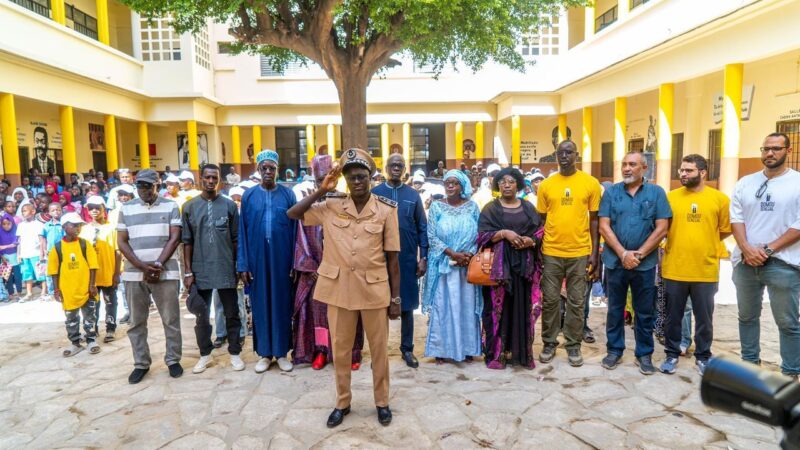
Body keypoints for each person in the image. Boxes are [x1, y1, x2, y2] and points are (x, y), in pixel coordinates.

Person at [287, 147, 401, 428]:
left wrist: (396, 298)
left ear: (371, 178)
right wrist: (322, 189)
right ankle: (342, 401)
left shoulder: (386, 210)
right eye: (352, 178)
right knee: (340, 349)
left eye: (362, 176)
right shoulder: (331, 205)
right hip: (338, 289)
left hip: (374, 290)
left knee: (379, 351)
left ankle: (382, 401)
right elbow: (293, 214)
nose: (357, 182)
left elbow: (393, 258)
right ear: (345, 181)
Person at [730, 132, 800, 379]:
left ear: (788, 152)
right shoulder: (746, 182)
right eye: (765, 149)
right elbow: (735, 218)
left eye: (776, 149)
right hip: (745, 263)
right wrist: (747, 249)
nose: (769, 153)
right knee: (747, 317)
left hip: (783, 264)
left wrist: (768, 249)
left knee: (789, 323)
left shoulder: (797, 183)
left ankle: (790, 374)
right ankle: (749, 366)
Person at [598, 152, 671, 375]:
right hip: (615, 262)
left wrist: (638, 254)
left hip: (645, 264)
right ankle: (614, 350)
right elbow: (604, 226)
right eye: (624, 165)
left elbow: (662, 227)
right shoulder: (611, 193)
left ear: (644, 168)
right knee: (615, 309)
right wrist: (622, 254)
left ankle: (644, 353)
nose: (627, 168)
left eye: (632, 165)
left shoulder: (656, 193)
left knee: (644, 311)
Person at [659, 154, 731, 375]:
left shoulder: (719, 199)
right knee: (673, 317)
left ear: (702, 173)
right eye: (681, 170)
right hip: (675, 267)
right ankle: (672, 354)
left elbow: (725, 229)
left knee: (704, 317)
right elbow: (662, 227)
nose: (683, 174)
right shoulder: (670, 197)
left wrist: (704, 243)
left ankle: (703, 356)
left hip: (705, 269)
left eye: (688, 170)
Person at [292, 155, 365, 370]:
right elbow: (301, 239)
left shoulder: (346, 202)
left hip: (345, 271)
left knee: (349, 313)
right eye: (319, 180)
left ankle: (352, 353)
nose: (324, 183)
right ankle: (322, 351)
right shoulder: (310, 204)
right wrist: (313, 268)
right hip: (317, 273)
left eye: (328, 178)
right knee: (320, 312)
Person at [537, 140, 601, 367]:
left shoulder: (590, 183)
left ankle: (573, 345)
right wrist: (540, 251)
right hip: (552, 251)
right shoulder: (546, 185)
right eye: (560, 153)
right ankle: (549, 342)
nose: (564, 156)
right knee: (551, 301)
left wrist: (594, 252)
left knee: (576, 301)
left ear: (577, 155)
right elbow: (542, 221)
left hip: (580, 252)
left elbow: (594, 220)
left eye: (568, 152)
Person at [117, 169, 183, 384]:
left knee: (170, 319)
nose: (144, 190)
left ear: (158, 184)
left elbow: (174, 238)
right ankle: (141, 363)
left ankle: (173, 360)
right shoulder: (126, 209)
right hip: (135, 275)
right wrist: (143, 267)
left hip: (166, 272)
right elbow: (122, 241)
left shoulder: (171, 206)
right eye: (140, 186)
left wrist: (157, 264)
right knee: (136, 322)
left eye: (148, 186)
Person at [237, 150, 297, 373]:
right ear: (258, 170)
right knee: (260, 305)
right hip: (257, 260)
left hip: (283, 259)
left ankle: (281, 353)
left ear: (277, 170)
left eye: (272, 168)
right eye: (264, 168)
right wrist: (243, 263)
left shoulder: (288, 195)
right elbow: (242, 232)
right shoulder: (249, 196)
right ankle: (264, 353)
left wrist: (295, 263)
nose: (268, 172)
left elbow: (295, 231)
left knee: (282, 305)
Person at [477, 167, 544, 369]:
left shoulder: (528, 208)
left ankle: (521, 354)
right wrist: (505, 233)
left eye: (511, 181)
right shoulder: (490, 209)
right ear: (497, 184)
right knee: (498, 310)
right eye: (503, 181)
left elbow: (540, 232)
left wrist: (530, 241)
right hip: (499, 270)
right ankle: (497, 354)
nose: (506, 185)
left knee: (522, 309)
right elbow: (481, 236)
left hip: (524, 268)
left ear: (518, 185)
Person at [183, 164, 245, 373]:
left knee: (232, 312)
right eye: (207, 177)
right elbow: (187, 241)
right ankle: (205, 354)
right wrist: (189, 271)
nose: (211, 181)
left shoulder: (228, 206)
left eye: (214, 178)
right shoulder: (190, 207)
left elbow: (236, 239)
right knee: (202, 315)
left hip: (225, 267)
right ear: (200, 178)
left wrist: (238, 265)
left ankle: (235, 353)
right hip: (200, 270)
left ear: (219, 180)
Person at [372, 154, 428, 368]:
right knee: (378, 306)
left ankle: (407, 349)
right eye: (392, 165)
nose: (396, 168)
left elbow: (422, 227)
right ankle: (379, 352)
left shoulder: (413, 195)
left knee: (406, 305)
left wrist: (423, 258)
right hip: (379, 258)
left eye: (400, 165)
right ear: (386, 168)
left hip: (406, 259)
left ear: (405, 169)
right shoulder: (375, 193)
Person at [423, 169, 481, 363]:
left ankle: (468, 348)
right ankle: (441, 349)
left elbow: (479, 235)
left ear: (462, 186)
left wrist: (469, 255)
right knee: (443, 306)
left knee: (466, 306)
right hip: (444, 265)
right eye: (447, 182)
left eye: (454, 183)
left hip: (467, 266)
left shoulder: (473, 207)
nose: (450, 186)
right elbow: (431, 236)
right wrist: (452, 253)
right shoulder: (437, 208)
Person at [48, 212, 99, 356]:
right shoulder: (57, 248)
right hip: (68, 290)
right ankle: (75, 342)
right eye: (74, 225)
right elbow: (54, 271)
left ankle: (91, 340)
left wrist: (92, 285)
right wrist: (57, 289)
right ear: (64, 227)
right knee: (71, 318)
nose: (77, 228)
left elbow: (93, 266)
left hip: (86, 288)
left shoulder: (84, 244)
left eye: (79, 225)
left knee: (89, 316)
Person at [80, 196, 122, 343]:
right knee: (92, 304)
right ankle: (93, 329)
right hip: (91, 276)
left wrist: (117, 273)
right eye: (91, 208)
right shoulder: (83, 229)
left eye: (97, 208)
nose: (94, 211)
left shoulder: (112, 228)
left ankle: (110, 329)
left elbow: (117, 251)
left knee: (110, 302)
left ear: (104, 208)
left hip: (108, 272)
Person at [110, 185, 135, 325]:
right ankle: (128, 310)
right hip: (118, 249)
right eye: (121, 195)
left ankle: (136, 310)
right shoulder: (113, 213)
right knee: (124, 283)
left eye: (127, 195)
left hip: (132, 250)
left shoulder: (135, 210)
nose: (124, 198)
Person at [16, 203, 46, 301]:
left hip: (36, 253)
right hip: (25, 254)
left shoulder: (39, 224)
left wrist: (42, 254)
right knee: (26, 274)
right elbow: (19, 242)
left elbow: (42, 240)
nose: (23, 213)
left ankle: (43, 292)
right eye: (22, 211)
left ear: (33, 211)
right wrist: (18, 254)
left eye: (25, 210)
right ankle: (29, 293)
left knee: (41, 274)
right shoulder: (20, 225)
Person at [39, 202, 64, 300]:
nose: (56, 212)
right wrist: (44, 250)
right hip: (50, 252)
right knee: (50, 273)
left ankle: (62, 290)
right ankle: (52, 292)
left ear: (61, 210)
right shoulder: (46, 225)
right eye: (53, 210)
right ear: (49, 212)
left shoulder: (63, 224)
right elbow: (43, 238)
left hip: (63, 251)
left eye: (58, 209)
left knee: (62, 272)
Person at [1, 213, 21, 300]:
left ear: (12, 223)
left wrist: (4, 247)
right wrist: (2, 256)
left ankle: (19, 292)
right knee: (8, 277)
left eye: (8, 223)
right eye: (4, 224)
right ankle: (10, 293)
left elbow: (17, 244)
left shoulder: (16, 231)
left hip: (16, 257)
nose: (6, 226)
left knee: (17, 276)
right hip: (5, 258)